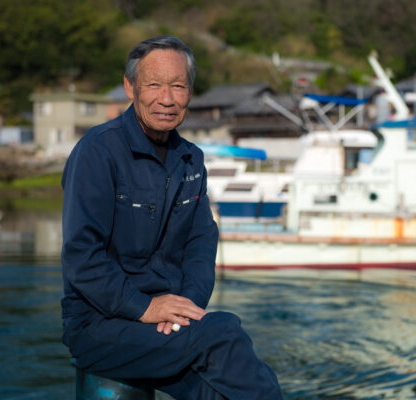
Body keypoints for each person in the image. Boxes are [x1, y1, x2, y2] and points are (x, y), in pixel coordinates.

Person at [60, 35, 283, 400]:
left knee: (221, 387)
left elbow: (200, 243)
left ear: (190, 92)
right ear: (130, 87)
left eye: (178, 86)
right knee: (224, 332)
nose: (167, 98)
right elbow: (82, 258)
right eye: (154, 85)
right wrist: (145, 307)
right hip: (100, 326)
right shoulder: (97, 152)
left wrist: (182, 310)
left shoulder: (190, 158)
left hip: (165, 326)